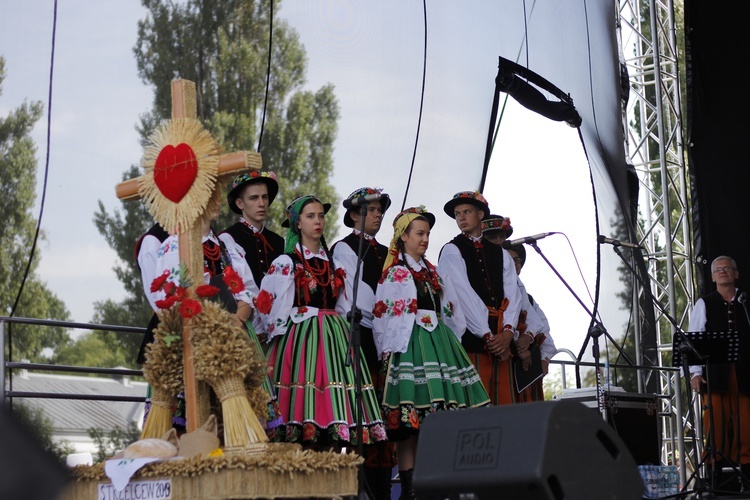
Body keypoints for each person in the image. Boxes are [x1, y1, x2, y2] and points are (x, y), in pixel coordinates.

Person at [373, 206, 490, 500]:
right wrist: (388, 354)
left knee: (433, 418)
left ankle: (428, 483)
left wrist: (453, 338)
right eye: (420, 234)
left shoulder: (432, 272)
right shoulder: (396, 273)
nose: (425, 239)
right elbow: (385, 317)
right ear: (403, 237)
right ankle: (410, 488)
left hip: (436, 343)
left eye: (427, 234)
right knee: (409, 421)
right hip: (409, 345)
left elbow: (450, 309)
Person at [255, 195, 387, 449]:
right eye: (310, 216)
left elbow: (344, 304)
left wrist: (347, 333)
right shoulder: (286, 262)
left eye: (321, 216)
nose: (318, 221)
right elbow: (273, 307)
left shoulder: (333, 263)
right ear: (298, 224)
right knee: (301, 402)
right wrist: (276, 340)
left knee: (333, 403)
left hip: (333, 336)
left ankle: (330, 469)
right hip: (300, 338)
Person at [332, 187, 395, 500]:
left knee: (384, 409)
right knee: (362, 411)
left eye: (380, 210)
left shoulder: (387, 251)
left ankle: (383, 483)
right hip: (361, 334)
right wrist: (388, 312)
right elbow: (356, 296)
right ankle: (359, 483)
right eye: (372, 210)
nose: (378, 215)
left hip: (386, 335)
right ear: (355, 215)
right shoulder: (344, 248)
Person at [437, 193, 524, 405]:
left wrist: (507, 332)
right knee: (476, 403)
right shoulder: (452, 250)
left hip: (501, 337)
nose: (461, 218)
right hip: (473, 339)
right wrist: (487, 336)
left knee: (504, 405)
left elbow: (513, 293)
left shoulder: (500, 253)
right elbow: (461, 296)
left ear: (480, 214)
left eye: (466, 212)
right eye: (457, 214)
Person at [688, 256, 750, 484]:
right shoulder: (705, 303)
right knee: (715, 422)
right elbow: (694, 339)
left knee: (747, 422)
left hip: (745, 372)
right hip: (716, 374)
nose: (723, 271)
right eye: (718, 269)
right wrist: (696, 373)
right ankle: (715, 472)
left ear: (736, 274)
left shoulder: (746, 301)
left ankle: (746, 469)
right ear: (713, 277)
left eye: (728, 268)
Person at [219, 171, 285, 342]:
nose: (261, 203)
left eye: (264, 197)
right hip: (245, 328)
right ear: (240, 203)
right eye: (254, 198)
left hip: (279, 330)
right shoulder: (228, 238)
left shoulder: (279, 242)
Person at [503, 242, 557, 401]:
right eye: (509, 259)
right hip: (504, 364)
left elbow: (544, 330)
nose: (513, 264)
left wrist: (544, 359)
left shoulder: (528, 297)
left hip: (526, 375)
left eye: (517, 260)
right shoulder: (496, 292)